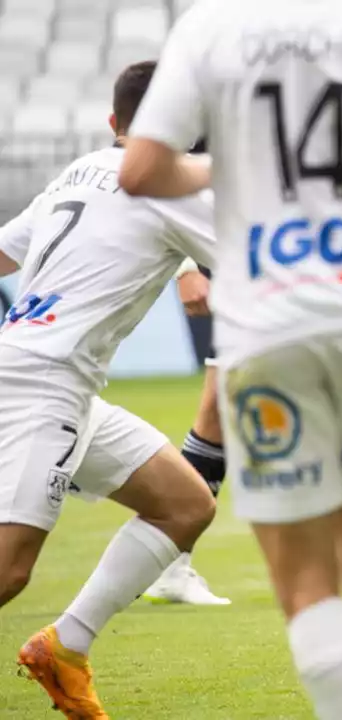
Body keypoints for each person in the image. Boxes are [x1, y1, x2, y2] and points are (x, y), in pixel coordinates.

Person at [119, 1, 342, 717]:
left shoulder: (210, 26)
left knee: (307, 584)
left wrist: (228, 174)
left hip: (265, 325)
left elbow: (142, 170)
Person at [0, 60, 221, 717]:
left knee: (185, 504)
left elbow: (3, 252)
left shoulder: (80, 169)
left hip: (52, 378)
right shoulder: (175, 189)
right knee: (10, 570)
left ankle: (63, 647)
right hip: (42, 385)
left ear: (113, 122)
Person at [141, 258, 342, 605]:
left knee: (221, 413)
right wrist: (186, 267)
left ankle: (170, 567)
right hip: (256, 276)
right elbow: (199, 204)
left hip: (291, 274)